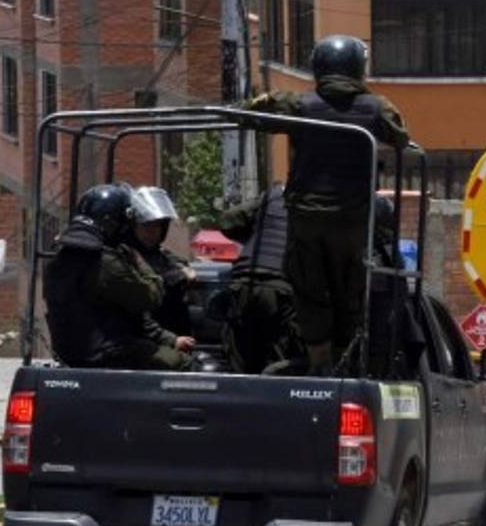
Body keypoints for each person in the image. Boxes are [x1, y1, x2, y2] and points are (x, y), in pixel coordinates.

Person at [243, 34, 410, 374]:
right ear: (357, 69)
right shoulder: (378, 107)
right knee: (351, 289)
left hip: (307, 217)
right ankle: (347, 358)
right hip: (353, 220)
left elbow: (252, 115)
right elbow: (401, 137)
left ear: (319, 68)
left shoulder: (300, 105)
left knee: (309, 288)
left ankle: (320, 361)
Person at [43, 183, 196, 371]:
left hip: (74, 353)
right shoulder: (105, 261)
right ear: (113, 222)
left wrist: (170, 339)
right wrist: (139, 262)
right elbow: (150, 297)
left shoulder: (62, 256)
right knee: (186, 364)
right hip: (109, 353)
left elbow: (131, 315)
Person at [218, 184, 307, 375]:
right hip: (281, 288)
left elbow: (227, 220)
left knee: (239, 367)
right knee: (278, 368)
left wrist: (254, 232)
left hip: (244, 282)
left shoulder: (273, 197)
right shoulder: (320, 205)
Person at [128, 186, 196, 352]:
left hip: (169, 332)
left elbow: (169, 259)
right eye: (146, 226)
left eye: (157, 226)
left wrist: (183, 268)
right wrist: (178, 275)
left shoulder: (156, 252)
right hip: (143, 336)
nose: (152, 231)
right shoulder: (125, 252)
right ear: (134, 226)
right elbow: (151, 276)